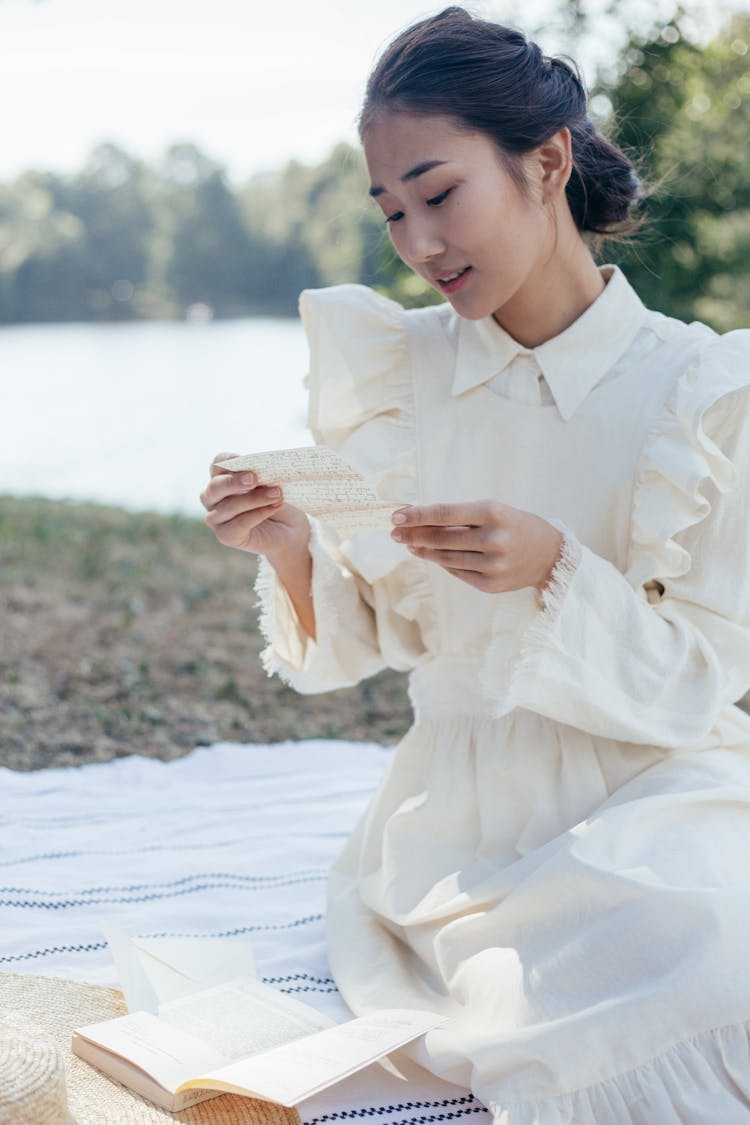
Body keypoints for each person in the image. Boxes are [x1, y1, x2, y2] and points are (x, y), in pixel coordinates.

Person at [200, 8, 750, 1121]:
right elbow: (378, 640)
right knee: (563, 985)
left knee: (708, 949)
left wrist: (558, 570)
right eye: (392, 209)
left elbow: (707, 677)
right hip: (457, 816)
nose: (415, 242)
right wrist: (294, 548)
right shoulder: (396, 378)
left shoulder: (701, 394)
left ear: (547, 163)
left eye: (439, 193)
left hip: (657, 789)